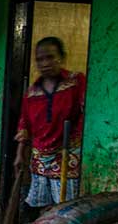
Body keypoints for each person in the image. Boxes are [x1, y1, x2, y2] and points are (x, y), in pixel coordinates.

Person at [14, 36, 86, 214]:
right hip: (39, 157)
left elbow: (87, 113)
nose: (45, 63)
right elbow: (24, 125)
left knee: (65, 209)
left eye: (50, 57)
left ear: (61, 57)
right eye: (40, 59)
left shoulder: (76, 82)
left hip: (67, 154)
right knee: (42, 207)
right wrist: (19, 155)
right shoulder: (31, 93)